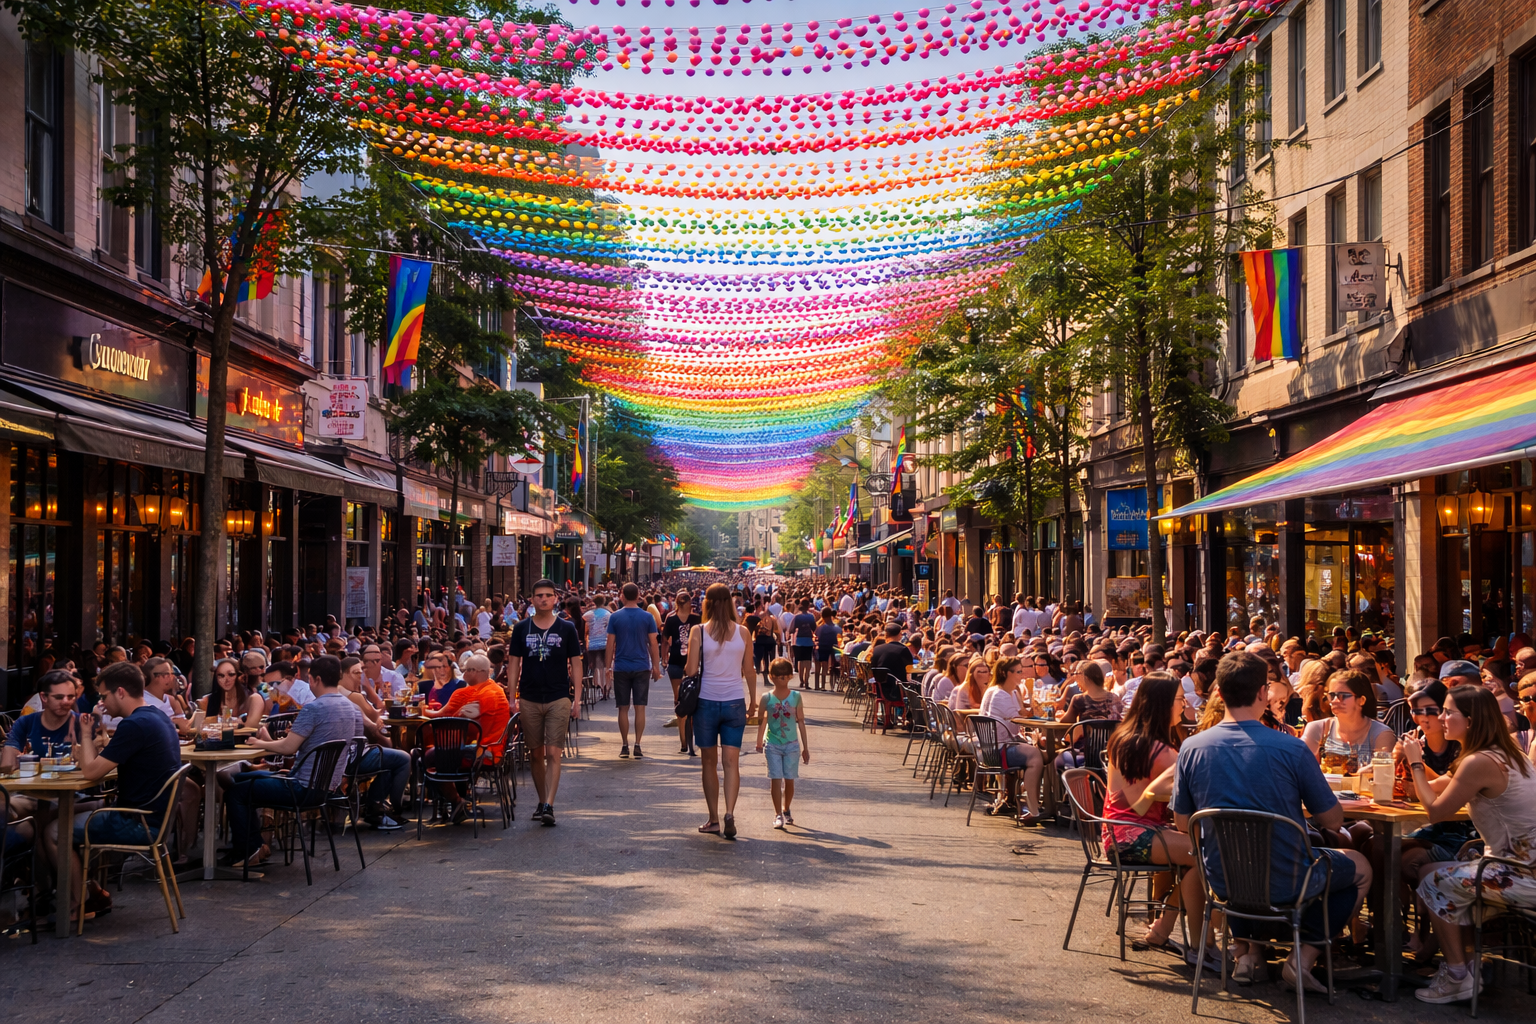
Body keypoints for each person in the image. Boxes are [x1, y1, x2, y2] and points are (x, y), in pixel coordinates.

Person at [1172, 651, 1372, 992]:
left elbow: (1181, 823)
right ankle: (1302, 958)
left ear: (1218, 693)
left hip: (1221, 880)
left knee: (1242, 858)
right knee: (1360, 865)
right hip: (1287, 879)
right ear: (1263, 693)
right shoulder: (1291, 749)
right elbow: (1333, 820)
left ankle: (1250, 956)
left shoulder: (1191, 747)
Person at [1402, 684, 1536, 1003]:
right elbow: (1435, 788)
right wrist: (1412, 776)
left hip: (1520, 874)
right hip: (1517, 865)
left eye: (1448, 712)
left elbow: (1435, 811)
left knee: (1434, 882)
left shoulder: (1479, 762)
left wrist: (1416, 762)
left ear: (1471, 721)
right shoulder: (1503, 754)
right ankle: (1467, 966)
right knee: (1433, 870)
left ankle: (1458, 976)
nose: (1441, 717)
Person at [1099, 672, 1211, 964]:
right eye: (1179, 699)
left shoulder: (1125, 738)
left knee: (1199, 854)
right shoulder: (1162, 750)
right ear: (1162, 704)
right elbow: (1143, 801)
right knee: (1207, 855)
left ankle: (1164, 927)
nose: (1185, 705)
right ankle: (1199, 945)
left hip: (1115, 833)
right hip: (1135, 835)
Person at [65, 662, 181, 922]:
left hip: (137, 822)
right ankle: (92, 891)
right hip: (154, 818)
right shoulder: (157, 716)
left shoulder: (134, 725)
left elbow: (91, 772)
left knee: (54, 831)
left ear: (120, 692)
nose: (102, 702)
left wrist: (85, 733)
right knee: (67, 814)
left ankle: (76, 905)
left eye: (103, 695)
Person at [226, 655, 363, 868]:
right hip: (327, 787)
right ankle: (256, 846)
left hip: (301, 787)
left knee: (236, 791)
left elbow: (289, 748)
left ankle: (248, 851)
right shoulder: (349, 706)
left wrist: (258, 743)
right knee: (241, 778)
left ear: (315, 679)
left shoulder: (314, 708)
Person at [508, 579, 582, 826]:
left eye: (548, 595)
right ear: (532, 599)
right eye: (538, 595)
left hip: (558, 696)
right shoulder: (521, 629)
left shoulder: (567, 628)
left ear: (555, 599)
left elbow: (576, 662)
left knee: (553, 752)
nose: (543, 599)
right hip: (529, 697)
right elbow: (514, 664)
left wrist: (577, 698)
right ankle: (541, 801)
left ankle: (550, 803)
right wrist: (512, 697)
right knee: (535, 753)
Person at [684, 582, 754, 839]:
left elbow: (691, 671)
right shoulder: (743, 632)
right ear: (731, 603)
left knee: (709, 762)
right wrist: (754, 700)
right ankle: (730, 812)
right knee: (731, 763)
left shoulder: (698, 631)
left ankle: (713, 818)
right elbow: (749, 670)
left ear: (707, 604)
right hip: (735, 700)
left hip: (706, 702)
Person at [422, 654, 510, 823]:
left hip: (485, 753)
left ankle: (456, 800)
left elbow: (467, 730)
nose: (463, 675)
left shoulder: (487, 695)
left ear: (474, 672)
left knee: (430, 756)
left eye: (465, 671)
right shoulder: (485, 689)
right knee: (431, 754)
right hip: (484, 748)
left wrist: (423, 712)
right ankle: (458, 799)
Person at [976, 655, 1046, 825]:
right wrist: (1039, 719)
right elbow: (1018, 722)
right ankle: (1034, 809)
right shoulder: (1000, 694)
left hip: (999, 745)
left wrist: (1027, 695)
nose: (1022, 675)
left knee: (1045, 754)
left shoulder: (1010, 691)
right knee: (1036, 756)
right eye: (1018, 672)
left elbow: (1021, 714)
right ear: (1004, 672)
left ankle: (1040, 804)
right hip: (995, 751)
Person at [754, 658, 811, 829]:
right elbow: (762, 721)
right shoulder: (766, 698)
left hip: (792, 744)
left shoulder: (796, 696)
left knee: (790, 779)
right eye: (777, 676)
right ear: (771, 676)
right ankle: (778, 813)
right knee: (776, 779)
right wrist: (759, 741)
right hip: (772, 744)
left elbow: (800, 721)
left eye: (784, 676)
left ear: (790, 677)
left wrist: (805, 747)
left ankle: (786, 808)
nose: (781, 679)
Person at [607, 582, 661, 759]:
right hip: (641, 666)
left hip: (621, 666)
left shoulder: (615, 617)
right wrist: (656, 666)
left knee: (622, 708)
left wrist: (608, 666)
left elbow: (610, 644)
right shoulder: (647, 617)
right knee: (640, 707)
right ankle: (638, 744)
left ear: (622, 595)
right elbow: (653, 643)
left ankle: (624, 745)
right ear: (639, 595)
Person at [661, 591, 702, 756]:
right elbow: (665, 640)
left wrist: (664, 658)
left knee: (682, 700)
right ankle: (686, 741)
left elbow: (664, 641)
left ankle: (685, 742)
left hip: (682, 662)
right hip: (685, 663)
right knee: (686, 700)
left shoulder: (690, 619)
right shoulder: (693, 619)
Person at [200, 658, 265, 723]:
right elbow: (200, 727)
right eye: (221, 676)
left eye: (231, 674)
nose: (226, 680)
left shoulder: (253, 698)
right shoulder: (207, 701)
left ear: (239, 676)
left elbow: (254, 727)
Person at [867, 623, 914, 703]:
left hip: (880, 689)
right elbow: (910, 671)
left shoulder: (877, 649)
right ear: (900, 634)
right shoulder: (903, 649)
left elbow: (873, 667)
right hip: (899, 690)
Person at [583, 595, 612, 700]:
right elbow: (610, 632)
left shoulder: (587, 615)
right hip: (605, 644)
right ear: (604, 601)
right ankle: (606, 688)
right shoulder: (608, 615)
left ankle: (600, 687)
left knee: (596, 668)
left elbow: (585, 632)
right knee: (606, 667)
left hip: (592, 645)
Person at [789, 599, 818, 689]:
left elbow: (791, 629)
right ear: (808, 606)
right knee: (808, 661)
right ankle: (806, 681)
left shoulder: (797, 617)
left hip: (799, 640)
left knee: (800, 661)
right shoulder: (811, 616)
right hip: (808, 640)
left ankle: (801, 681)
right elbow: (814, 628)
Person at [813, 607, 841, 691]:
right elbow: (839, 636)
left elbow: (816, 636)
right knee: (825, 667)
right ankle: (823, 686)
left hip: (820, 647)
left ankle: (817, 685)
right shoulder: (836, 626)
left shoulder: (820, 627)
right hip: (831, 648)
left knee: (818, 666)